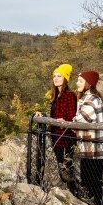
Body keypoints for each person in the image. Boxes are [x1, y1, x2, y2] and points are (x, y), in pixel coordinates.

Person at [35, 64, 78, 193]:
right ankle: (73, 194)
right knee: (62, 168)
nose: (56, 78)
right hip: (56, 137)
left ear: (66, 78)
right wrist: (42, 116)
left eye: (59, 76)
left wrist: (65, 122)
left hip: (66, 138)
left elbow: (72, 117)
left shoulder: (69, 95)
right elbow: (55, 115)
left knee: (67, 169)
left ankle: (75, 193)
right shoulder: (55, 95)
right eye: (54, 76)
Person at [73, 71, 103, 205]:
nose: (77, 83)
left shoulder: (91, 100)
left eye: (80, 81)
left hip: (92, 148)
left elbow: (81, 119)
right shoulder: (91, 98)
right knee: (92, 181)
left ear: (88, 83)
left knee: (91, 182)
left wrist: (72, 120)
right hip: (92, 147)